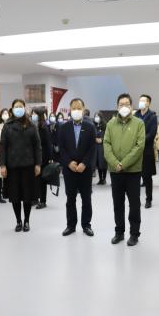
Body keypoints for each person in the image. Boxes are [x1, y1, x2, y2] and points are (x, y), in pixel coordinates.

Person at [104, 93, 145, 246]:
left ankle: (134, 234)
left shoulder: (139, 123)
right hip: (116, 172)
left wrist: (124, 164)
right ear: (117, 107)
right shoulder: (110, 124)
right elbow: (106, 145)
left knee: (134, 204)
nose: (124, 107)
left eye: (127, 104)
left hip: (133, 171)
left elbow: (139, 146)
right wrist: (115, 163)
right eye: (121, 104)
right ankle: (119, 232)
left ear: (131, 106)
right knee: (118, 204)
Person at [0, 99, 42, 233]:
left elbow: (37, 146)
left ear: (24, 108)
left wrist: (38, 164)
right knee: (15, 196)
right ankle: (18, 221)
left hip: (28, 166)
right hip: (12, 166)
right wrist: (2, 165)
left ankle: (27, 221)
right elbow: (3, 146)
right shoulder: (7, 125)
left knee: (27, 196)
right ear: (12, 109)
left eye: (20, 106)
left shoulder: (31, 125)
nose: (18, 109)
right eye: (16, 107)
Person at [58, 98, 96, 237]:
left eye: (79, 108)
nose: (76, 110)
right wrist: (69, 162)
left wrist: (84, 163)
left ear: (83, 109)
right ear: (70, 110)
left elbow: (92, 148)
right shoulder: (64, 127)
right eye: (73, 108)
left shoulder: (90, 127)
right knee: (70, 199)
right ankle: (71, 225)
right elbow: (61, 148)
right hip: (69, 170)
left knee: (86, 199)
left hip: (85, 170)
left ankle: (86, 225)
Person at [134, 94, 158, 208]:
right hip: (135, 151)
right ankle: (136, 199)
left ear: (148, 103)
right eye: (140, 100)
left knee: (147, 177)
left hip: (146, 150)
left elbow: (152, 134)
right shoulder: (136, 115)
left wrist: (140, 141)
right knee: (135, 177)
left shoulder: (152, 116)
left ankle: (149, 199)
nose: (141, 103)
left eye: (143, 101)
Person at [34, 109, 53, 209]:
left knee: (42, 180)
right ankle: (35, 198)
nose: (33, 116)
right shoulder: (34, 126)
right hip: (35, 156)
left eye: (34, 114)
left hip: (43, 156)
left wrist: (50, 157)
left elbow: (49, 143)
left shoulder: (44, 127)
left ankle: (43, 201)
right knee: (36, 179)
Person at [0, 109, 9, 203]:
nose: (5, 115)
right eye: (3, 113)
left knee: (8, 175)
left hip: (10, 153)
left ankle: (7, 193)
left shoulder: (11, 125)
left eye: (6, 113)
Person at [94, 112, 108, 185]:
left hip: (103, 146)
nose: (96, 118)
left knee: (103, 163)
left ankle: (104, 178)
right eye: (95, 116)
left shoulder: (105, 125)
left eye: (98, 116)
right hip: (96, 147)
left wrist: (102, 140)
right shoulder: (94, 125)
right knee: (98, 164)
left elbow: (108, 135)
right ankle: (100, 179)